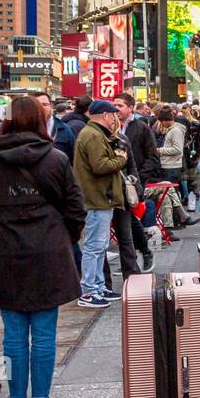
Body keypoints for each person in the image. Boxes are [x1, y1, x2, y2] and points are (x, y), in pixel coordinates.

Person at [0, 96, 85, 398]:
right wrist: (65, 237)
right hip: (48, 251)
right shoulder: (56, 159)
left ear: (8, 120)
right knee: (45, 334)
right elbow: (76, 209)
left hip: (5, 254)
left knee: (12, 335)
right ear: (39, 120)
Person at [73, 100, 128, 309]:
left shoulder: (93, 133)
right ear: (106, 115)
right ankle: (89, 290)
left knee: (99, 245)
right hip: (96, 198)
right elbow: (100, 166)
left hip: (99, 197)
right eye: (114, 114)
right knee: (94, 246)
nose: (116, 118)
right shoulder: (93, 135)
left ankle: (97, 286)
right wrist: (120, 159)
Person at [156, 105, 188, 199]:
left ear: (165, 120)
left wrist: (159, 150)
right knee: (172, 193)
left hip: (171, 166)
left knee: (170, 194)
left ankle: (178, 213)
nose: (161, 124)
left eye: (161, 122)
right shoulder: (175, 130)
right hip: (171, 165)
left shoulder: (176, 131)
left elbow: (177, 149)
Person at [36, 93, 76, 162]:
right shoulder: (24, 129)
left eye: (45, 104)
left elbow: (72, 157)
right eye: (37, 105)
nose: (41, 108)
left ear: (51, 106)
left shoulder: (64, 129)